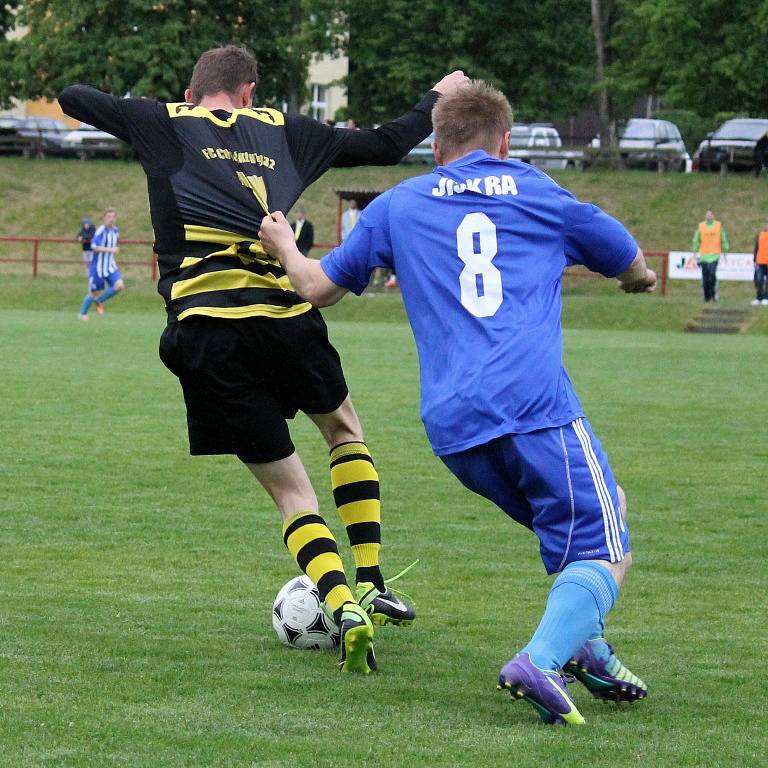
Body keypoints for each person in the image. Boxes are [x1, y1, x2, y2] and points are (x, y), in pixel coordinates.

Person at [59, 44, 469, 674]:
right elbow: (388, 145)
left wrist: (144, 112)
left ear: (196, 91)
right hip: (285, 318)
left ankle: (341, 605)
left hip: (207, 329)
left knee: (291, 495)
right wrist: (436, 96)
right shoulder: (288, 130)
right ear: (249, 92)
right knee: (343, 429)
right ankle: (370, 577)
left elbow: (73, 99)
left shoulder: (164, 120)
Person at [260, 80, 655, 724]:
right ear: (504, 142)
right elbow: (627, 258)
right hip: (534, 408)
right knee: (606, 547)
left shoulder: (400, 204)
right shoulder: (538, 190)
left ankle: (589, 648)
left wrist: (282, 245)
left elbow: (316, 288)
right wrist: (637, 279)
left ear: (436, 148)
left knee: (569, 532)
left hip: (453, 429)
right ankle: (542, 661)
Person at [78, 207, 125, 320]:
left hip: (110, 266)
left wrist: (111, 251)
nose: (111, 219)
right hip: (98, 267)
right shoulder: (100, 231)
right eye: (108, 217)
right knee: (94, 292)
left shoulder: (115, 231)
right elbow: (93, 246)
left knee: (119, 286)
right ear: (104, 218)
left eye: (113, 217)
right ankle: (82, 314)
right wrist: (110, 250)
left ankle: (99, 301)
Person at [692, 209, 729, 302]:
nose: (708, 216)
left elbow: (723, 238)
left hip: (715, 255)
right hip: (704, 255)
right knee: (705, 277)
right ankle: (706, 296)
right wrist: (695, 251)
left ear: (713, 216)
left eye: (710, 214)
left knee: (712, 275)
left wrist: (725, 250)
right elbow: (696, 239)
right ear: (705, 216)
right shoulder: (701, 226)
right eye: (707, 215)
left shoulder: (718, 226)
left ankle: (713, 293)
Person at [752, 219, 768, 306]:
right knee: (759, 280)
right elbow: (756, 248)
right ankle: (758, 298)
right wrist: (754, 259)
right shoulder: (760, 235)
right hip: (760, 261)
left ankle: (766, 298)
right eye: (766, 224)